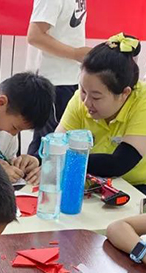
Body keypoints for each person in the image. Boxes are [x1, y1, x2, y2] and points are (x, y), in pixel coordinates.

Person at [57, 32, 146, 205]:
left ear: (124, 94)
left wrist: (63, 158)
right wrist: (37, 160)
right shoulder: (81, 99)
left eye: (96, 97)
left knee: (119, 220)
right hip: (102, 181)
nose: (86, 102)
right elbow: (58, 143)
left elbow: (120, 163)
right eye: (83, 90)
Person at [26, 0, 90, 156]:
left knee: (54, 146)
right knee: (51, 147)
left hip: (70, 79)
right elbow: (35, 36)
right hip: (54, 82)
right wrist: (75, 53)